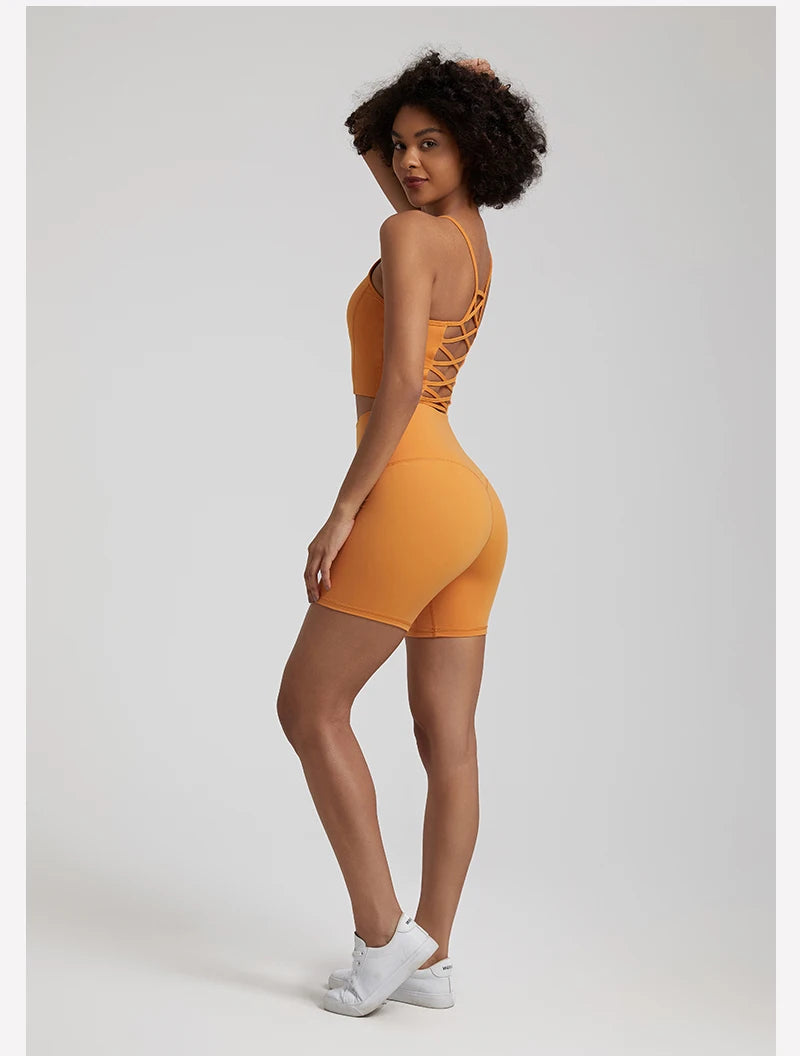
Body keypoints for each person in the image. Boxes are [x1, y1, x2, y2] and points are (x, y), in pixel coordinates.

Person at [276, 50, 547, 1017]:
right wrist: (448, 88)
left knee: (309, 707)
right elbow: (369, 137)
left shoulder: (407, 231)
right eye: (401, 145)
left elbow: (398, 385)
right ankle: (432, 960)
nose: (407, 161)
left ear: (474, 145)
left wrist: (345, 507)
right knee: (449, 741)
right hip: (471, 507)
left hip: (412, 487)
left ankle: (383, 936)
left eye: (431, 142)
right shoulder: (467, 238)